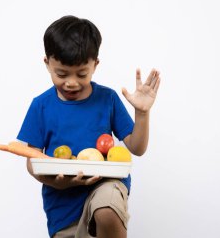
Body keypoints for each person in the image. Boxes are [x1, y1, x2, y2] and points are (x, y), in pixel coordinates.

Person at [16, 15, 161, 238]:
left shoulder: (108, 99)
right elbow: (32, 161)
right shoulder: (41, 106)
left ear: (95, 65)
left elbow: (137, 147)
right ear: (47, 64)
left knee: (107, 210)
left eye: (81, 74)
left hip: (106, 185)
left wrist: (142, 113)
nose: (71, 82)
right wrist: (57, 182)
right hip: (63, 207)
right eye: (61, 74)